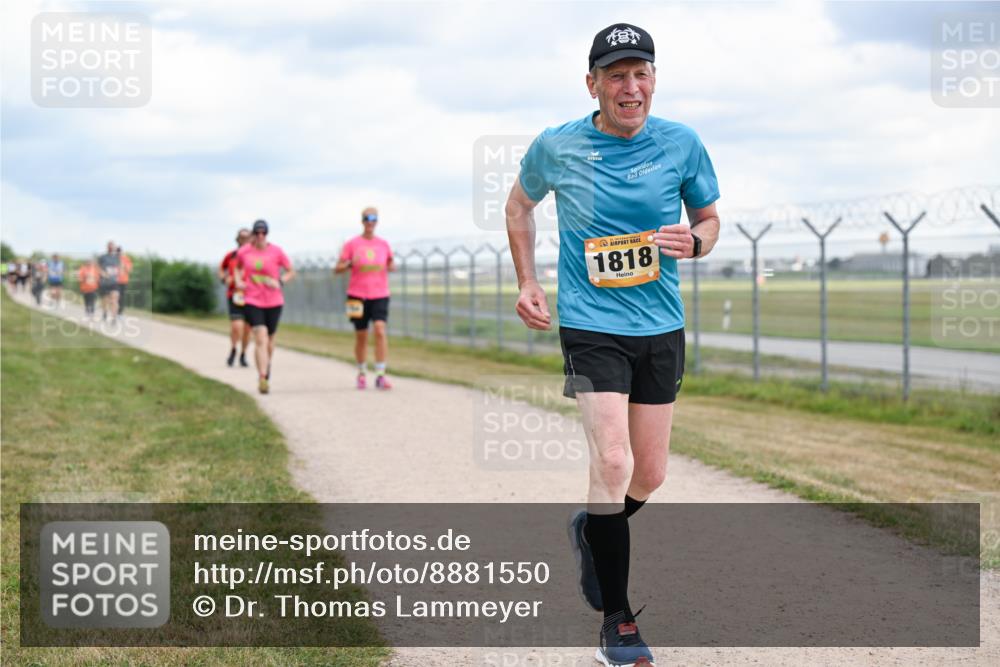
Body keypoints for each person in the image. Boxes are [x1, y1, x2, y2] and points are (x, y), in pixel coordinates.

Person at [505, 23, 720, 667]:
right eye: (618, 75)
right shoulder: (559, 145)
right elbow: (519, 208)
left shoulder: (682, 143)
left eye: (642, 73)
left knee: (651, 473)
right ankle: (618, 622)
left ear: (654, 80)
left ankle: (594, 529)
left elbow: (708, 221)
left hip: (659, 326)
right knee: (615, 460)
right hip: (592, 325)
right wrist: (527, 280)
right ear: (592, 83)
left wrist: (697, 241)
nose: (632, 87)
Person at [334, 207, 395, 390]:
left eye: (373, 218)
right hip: (356, 294)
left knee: (380, 329)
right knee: (361, 335)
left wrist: (390, 266)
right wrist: (348, 264)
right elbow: (337, 269)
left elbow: (391, 263)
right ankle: (361, 372)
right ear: (362, 221)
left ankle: (380, 374)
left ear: (377, 222)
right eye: (367, 218)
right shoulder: (352, 244)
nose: (370, 222)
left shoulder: (383, 244)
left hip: (380, 294)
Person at [236, 219, 295, 394]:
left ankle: (266, 368)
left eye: (264, 233)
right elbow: (237, 269)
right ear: (253, 234)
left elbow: (291, 270)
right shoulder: (244, 252)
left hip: (274, 301)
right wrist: (239, 280)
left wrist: (280, 281)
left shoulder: (276, 252)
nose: (260, 236)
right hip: (252, 300)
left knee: (269, 340)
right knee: (260, 337)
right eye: (257, 233)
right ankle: (262, 377)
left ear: (267, 234)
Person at [219, 228, 252, 367]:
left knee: (247, 329)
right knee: (236, 326)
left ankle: (243, 354)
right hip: (235, 295)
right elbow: (221, 269)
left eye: (247, 237)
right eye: (241, 238)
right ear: (237, 239)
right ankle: (233, 349)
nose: (244, 240)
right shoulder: (231, 256)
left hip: (251, 296)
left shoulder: (254, 255)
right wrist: (225, 278)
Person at [98, 241, 121, 321]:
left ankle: (114, 317)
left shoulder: (117, 257)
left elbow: (120, 267)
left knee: (115, 299)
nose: (111, 248)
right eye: (109, 246)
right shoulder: (102, 257)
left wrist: (118, 274)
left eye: (112, 246)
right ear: (107, 247)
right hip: (104, 282)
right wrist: (103, 273)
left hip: (114, 282)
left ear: (114, 247)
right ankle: (105, 312)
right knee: (105, 300)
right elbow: (98, 268)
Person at [115, 246, 133, 315]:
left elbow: (130, 270)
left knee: (121, 297)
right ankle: (114, 310)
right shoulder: (113, 259)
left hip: (124, 281)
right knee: (115, 296)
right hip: (115, 281)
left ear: (121, 252)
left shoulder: (126, 259)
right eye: (117, 252)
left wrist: (124, 265)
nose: (118, 253)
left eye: (119, 251)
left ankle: (120, 312)